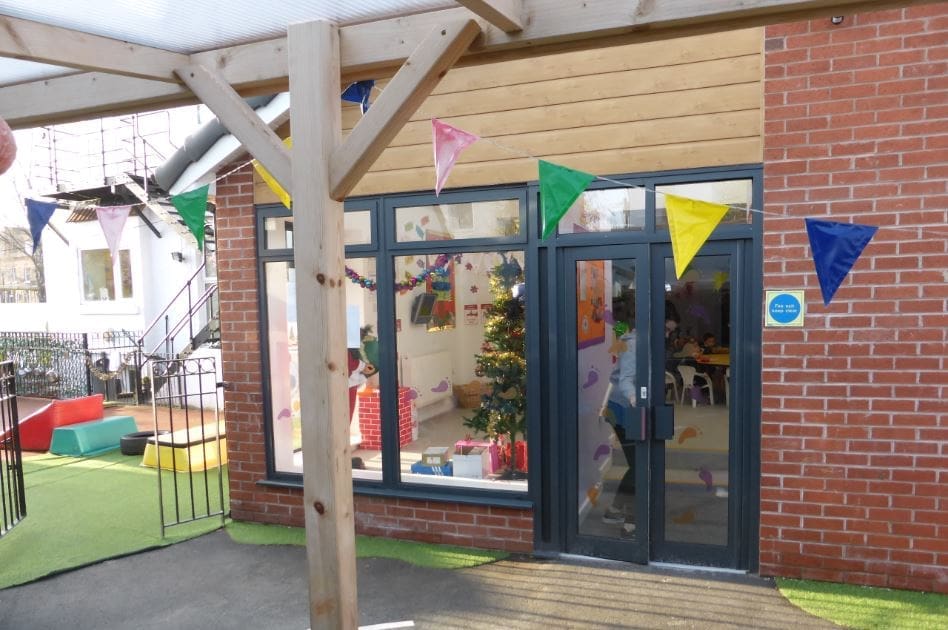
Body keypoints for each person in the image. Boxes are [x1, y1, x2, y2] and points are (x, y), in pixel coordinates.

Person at [601, 311, 637, 527]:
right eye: (667, 329)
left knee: (639, 464)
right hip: (624, 409)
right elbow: (626, 380)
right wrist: (635, 397)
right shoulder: (634, 344)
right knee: (639, 465)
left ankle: (616, 510)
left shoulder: (635, 342)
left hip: (625, 408)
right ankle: (626, 517)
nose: (668, 334)